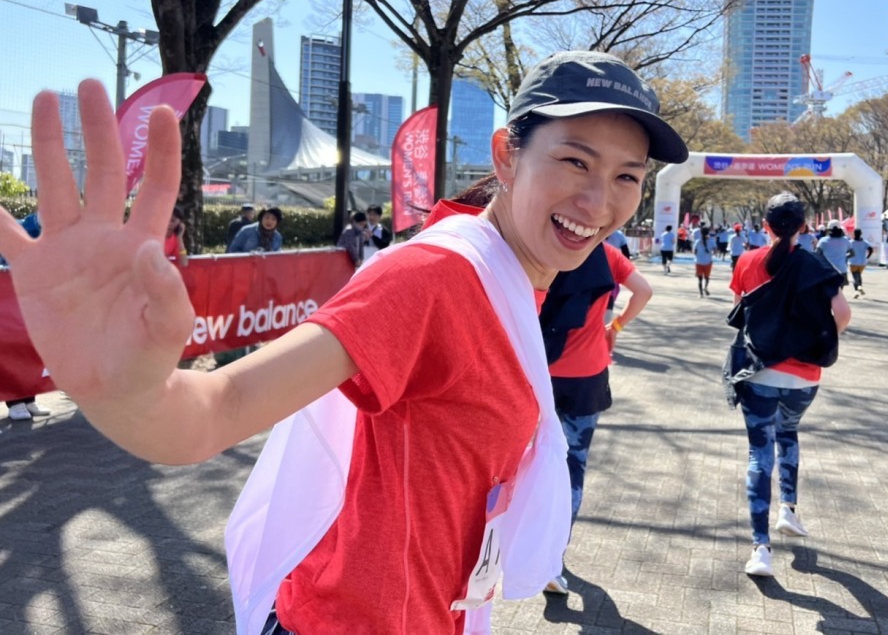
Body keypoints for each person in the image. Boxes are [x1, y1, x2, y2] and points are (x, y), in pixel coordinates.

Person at [0, 51, 688, 635]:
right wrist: (124, 388)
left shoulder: (520, 279)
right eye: (575, 161)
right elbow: (218, 406)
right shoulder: (434, 277)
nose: (600, 201)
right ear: (507, 155)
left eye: (628, 175)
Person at [728, 193, 851, 578]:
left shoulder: (747, 260)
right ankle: (789, 510)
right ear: (803, 226)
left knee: (758, 454)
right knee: (790, 433)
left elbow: (740, 309)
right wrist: (819, 341)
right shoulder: (816, 263)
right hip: (803, 377)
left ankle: (760, 549)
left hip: (758, 372)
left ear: (765, 225)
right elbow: (843, 313)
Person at [540, 241, 653, 594]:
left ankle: (523, 549)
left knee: (532, 462)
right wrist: (615, 326)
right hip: (587, 375)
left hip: (539, 371)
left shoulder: (542, 244)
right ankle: (552, 560)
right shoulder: (608, 253)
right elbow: (644, 291)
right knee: (574, 465)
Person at [3, 213, 50, 421]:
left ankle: (29, 399)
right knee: (10, 352)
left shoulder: (37, 230)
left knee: (30, 351)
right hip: (6, 303)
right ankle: (14, 402)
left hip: (29, 302)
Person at [817, 221, 851, 286]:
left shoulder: (823, 240)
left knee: (828, 292)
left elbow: (817, 254)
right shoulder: (845, 240)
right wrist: (845, 258)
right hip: (842, 269)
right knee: (840, 291)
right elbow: (852, 253)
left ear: (828, 229)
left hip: (827, 270)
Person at [847, 228, 873, 297]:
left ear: (854, 234)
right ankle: (859, 287)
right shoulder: (865, 242)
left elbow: (847, 251)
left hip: (853, 262)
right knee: (858, 275)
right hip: (862, 263)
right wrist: (867, 257)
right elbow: (870, 249)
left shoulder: (850, 242)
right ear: (861, 234)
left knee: (855, 276)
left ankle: (857, 289)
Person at [692, 226, 713, 296]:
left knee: (700, 279)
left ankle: (701, 293)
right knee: (707, 277)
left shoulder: (697, 241)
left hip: (699, 262)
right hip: (708, 262)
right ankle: (705, 287)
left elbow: (694, 251)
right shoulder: (711, 241)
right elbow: (715, 250)